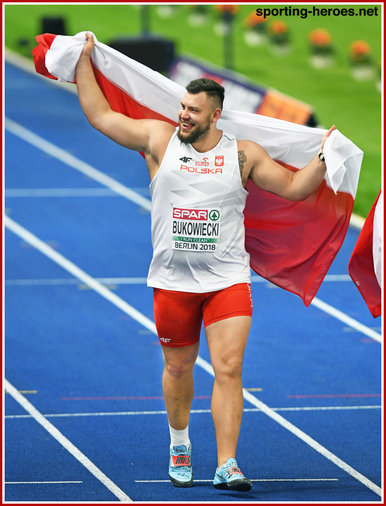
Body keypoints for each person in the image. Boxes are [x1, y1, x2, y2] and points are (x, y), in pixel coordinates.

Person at [75, 32, 335, 492]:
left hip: (227, 279)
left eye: (193, 111)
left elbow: (294, 189)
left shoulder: (242, 153)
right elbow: (100, 116)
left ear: (215, 115)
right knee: (178, 368)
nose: (184, 116)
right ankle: (180, 443)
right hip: (173, 280)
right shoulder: (159, 139)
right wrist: (82, 58)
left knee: (230, 367)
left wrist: (323, 157)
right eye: (182, 107)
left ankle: (228, 463)